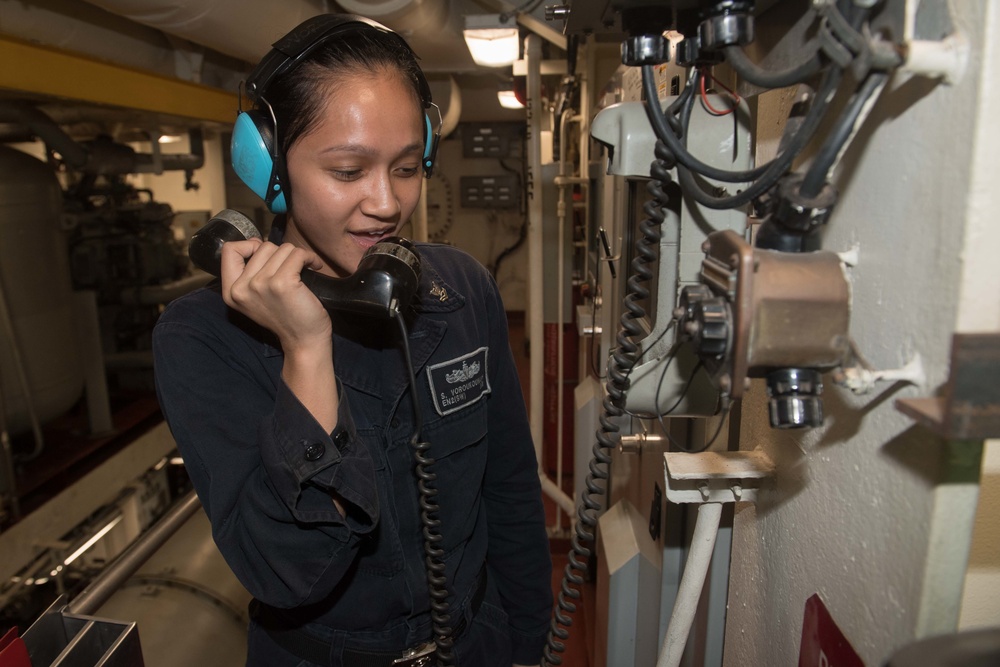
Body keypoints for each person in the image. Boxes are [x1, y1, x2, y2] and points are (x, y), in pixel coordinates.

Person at [152, 14, 552, 667]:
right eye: (347, 170)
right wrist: (307, 351)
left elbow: (508, 488)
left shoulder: (462, 288)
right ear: (268, 165)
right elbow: (284, 570)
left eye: (405, 167)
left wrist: (531, 645)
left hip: (478, 640)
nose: (387, 202)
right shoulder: (202, 336)